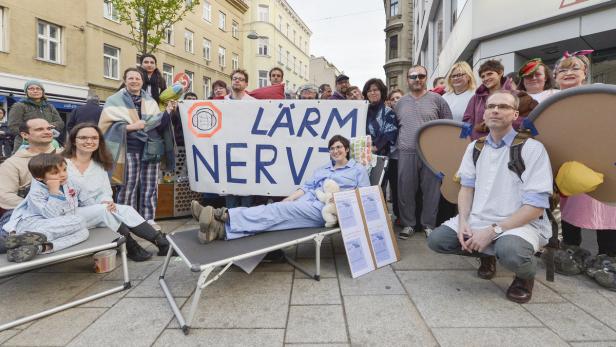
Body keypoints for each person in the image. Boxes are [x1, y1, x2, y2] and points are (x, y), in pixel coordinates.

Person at [427, 90, 553, 303]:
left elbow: (536, 207)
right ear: (484, 114)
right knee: (438, 240)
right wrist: (464, 221)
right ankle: (487, 256)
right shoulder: (475, 148)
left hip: (520, 224)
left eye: (503, 106)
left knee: (510, 251)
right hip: (480, 217)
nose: (495, 110)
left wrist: (492, 231)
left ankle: (524, 276)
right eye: (490, 106)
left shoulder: (532, 149)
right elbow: (466, 189)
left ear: (515, 115)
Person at [191, 135, 370, 243]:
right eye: (331, 148)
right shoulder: (323, 169)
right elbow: (306, 187)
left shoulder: (357, 170)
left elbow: (365, 196)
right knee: (276, 215)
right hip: (308, 201)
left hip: (326, 209)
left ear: (346, 149)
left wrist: (341, 200)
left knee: (276, 211)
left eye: (339, 147)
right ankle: (220, 229)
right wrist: (290, 198)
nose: (335, 151)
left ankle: (223, 214)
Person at [62, 123, 171, 261]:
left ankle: (161, 242)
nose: (89, 141)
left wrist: (108, 201)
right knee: (104, 211)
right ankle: (130, 245)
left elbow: (105, 191)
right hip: (69, 212)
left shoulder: (98, 165)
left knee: (126, 209)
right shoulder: (62, 164)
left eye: (94, 138)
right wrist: (104, 206)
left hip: (96, 208)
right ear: (73, 140)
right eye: (83, 137)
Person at [552, 52, 616, 283]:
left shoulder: (597, 94)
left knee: (607, 207)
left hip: (600, 163)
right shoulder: (551, 101)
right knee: (570, 208)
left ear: (584, 74)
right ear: (556, 76)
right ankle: (572, 249)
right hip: (568, 165)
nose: (569, 73)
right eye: (563, 70)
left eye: (574, 69)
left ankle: (608, 256)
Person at [99, 67, 176, 232]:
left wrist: (167, 112)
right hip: (127, 149)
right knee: (127, 186)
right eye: (131, 78)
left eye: (137, 78)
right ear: (125, 80)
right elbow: (105, 127)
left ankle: (148, 219)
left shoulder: (150, 101)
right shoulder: (114, 100)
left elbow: (159, 124)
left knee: (150, 185)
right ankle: (126, 219)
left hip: (151, 149)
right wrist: (131, 127)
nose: (134, 81)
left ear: (142, 81)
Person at [394, 65, 452, 239]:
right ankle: (408, 224)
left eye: (420, 76)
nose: (417, 79)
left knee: (431, 191)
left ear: (426, 78)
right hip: (406, 151)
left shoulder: (438, 100)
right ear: (407, 80)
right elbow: (396, 127)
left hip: (430, 153)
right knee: (405, 190)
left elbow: (446, 125)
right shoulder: (400, 102)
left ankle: (429, 225)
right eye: (413, 76)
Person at [2, 154, 88, 262]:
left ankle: (37, 248)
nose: (63, 175)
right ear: (39, 177)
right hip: (31, 224)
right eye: (55, 173)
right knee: (80, 220)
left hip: (52, 227)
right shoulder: (36, 193)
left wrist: (104, 204)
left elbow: (86, 200)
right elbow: (51, 215)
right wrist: (54, 193)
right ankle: (25, 237)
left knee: (84, 232)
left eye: (64, 170)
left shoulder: (70, 183)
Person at [0, 118, 59, 232]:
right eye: (39, 129)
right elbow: (4, 195)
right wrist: (39, 207)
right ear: (25, 135)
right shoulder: (12, 163)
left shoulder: (65, 155)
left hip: (63, 208)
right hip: (24, 212)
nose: (47, 132)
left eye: (49, 128)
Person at [362, 78, 399, 221]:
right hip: (361, 156)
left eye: (376, 89)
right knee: (364, 188)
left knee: (378, 189)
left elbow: (390, 133)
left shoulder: (388, 112)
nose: (373, 92)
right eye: (370, 90)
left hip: (380, 156)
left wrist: (375, 146)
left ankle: (379, 221)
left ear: (382, 92)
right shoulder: (362, 110)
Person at [8, 80, 64, 152]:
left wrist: (50, 126)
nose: (35, 91)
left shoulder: (49, 106)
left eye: (38, 88)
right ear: (26, 91)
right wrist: (31, 134)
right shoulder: (19, 106)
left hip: (48, 144)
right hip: (26, 144)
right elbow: (13, 126)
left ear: (42, 91)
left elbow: (60, 123)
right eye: (31, 89)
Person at [463, 60, 512, 140]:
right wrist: (467, 141)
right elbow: (466, 121)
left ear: (500, 73)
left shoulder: (514, 95)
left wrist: (495, 123)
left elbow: (523, 120)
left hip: (507, 143)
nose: (486, 78)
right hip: (480, 145)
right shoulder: (476, 98)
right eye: (483, 76)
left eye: (489, 74)